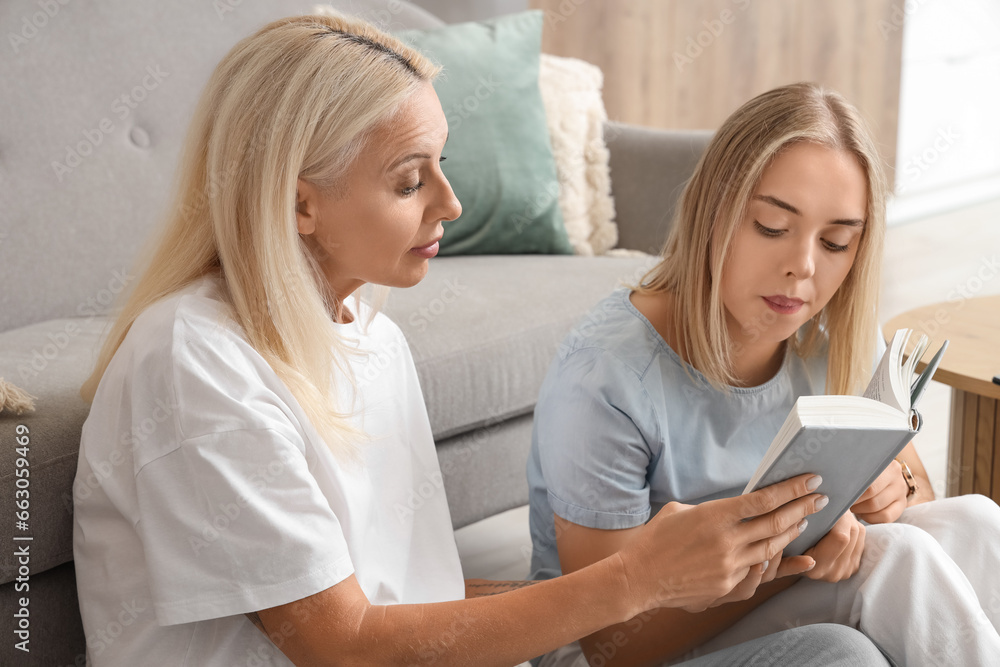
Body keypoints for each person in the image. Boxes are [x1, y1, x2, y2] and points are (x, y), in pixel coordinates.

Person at [72, 15, 891, 666]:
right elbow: (345, 646)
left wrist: (695, 581)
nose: (451, 204)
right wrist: (635, 578)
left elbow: (406, 597)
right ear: (299, 206)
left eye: (442, 165)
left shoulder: (368, 334)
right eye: (409, 178)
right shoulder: (196, 361)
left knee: (836, 651)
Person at [527, 81, 1000, 667]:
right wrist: (799, 551)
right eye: (772, 227)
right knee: (891, 568)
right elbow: (612, 642)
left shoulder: (832, 334)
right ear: (713, 211)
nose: (802, 267)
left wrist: (891, 493)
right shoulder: (605, 377)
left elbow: (917, 489)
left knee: (980, 523)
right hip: (632, 644)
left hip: (754, 604)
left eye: (836, 242)